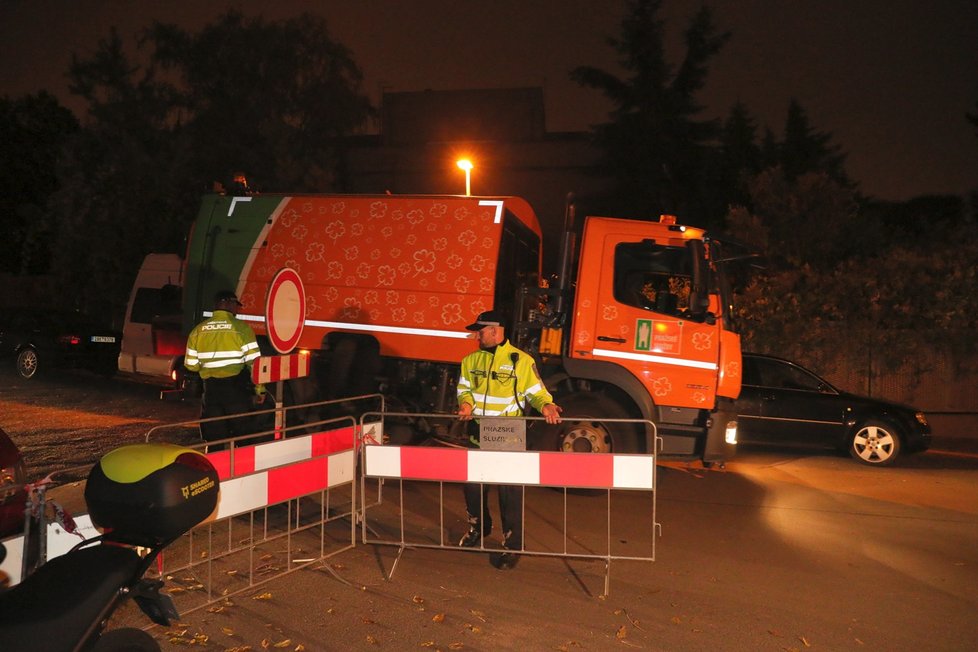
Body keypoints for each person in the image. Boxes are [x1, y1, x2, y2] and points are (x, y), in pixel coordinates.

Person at [456, 309, 562, 570]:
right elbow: (464, 389)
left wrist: (546, 406)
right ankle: (479, 528)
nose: (477, 336)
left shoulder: (521, 361)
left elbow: (536, 392)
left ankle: (512, 546)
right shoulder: (470, 361)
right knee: (472, 485)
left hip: (508, 433)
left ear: (495, 330)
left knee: (509, 492)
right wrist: (465, 405)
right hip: (478, 431)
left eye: (480, 331)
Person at [184, 290, 266, 449]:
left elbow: (191, 365)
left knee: (215, 438)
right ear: (229, 304)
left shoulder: (198, 331)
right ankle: (244, 471)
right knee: (243, 438)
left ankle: (218, 471)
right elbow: (256, 364)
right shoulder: (241, 329)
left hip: (211, 392)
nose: (238, 310)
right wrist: (260, 390)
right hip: (236, 392)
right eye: (237, 306)